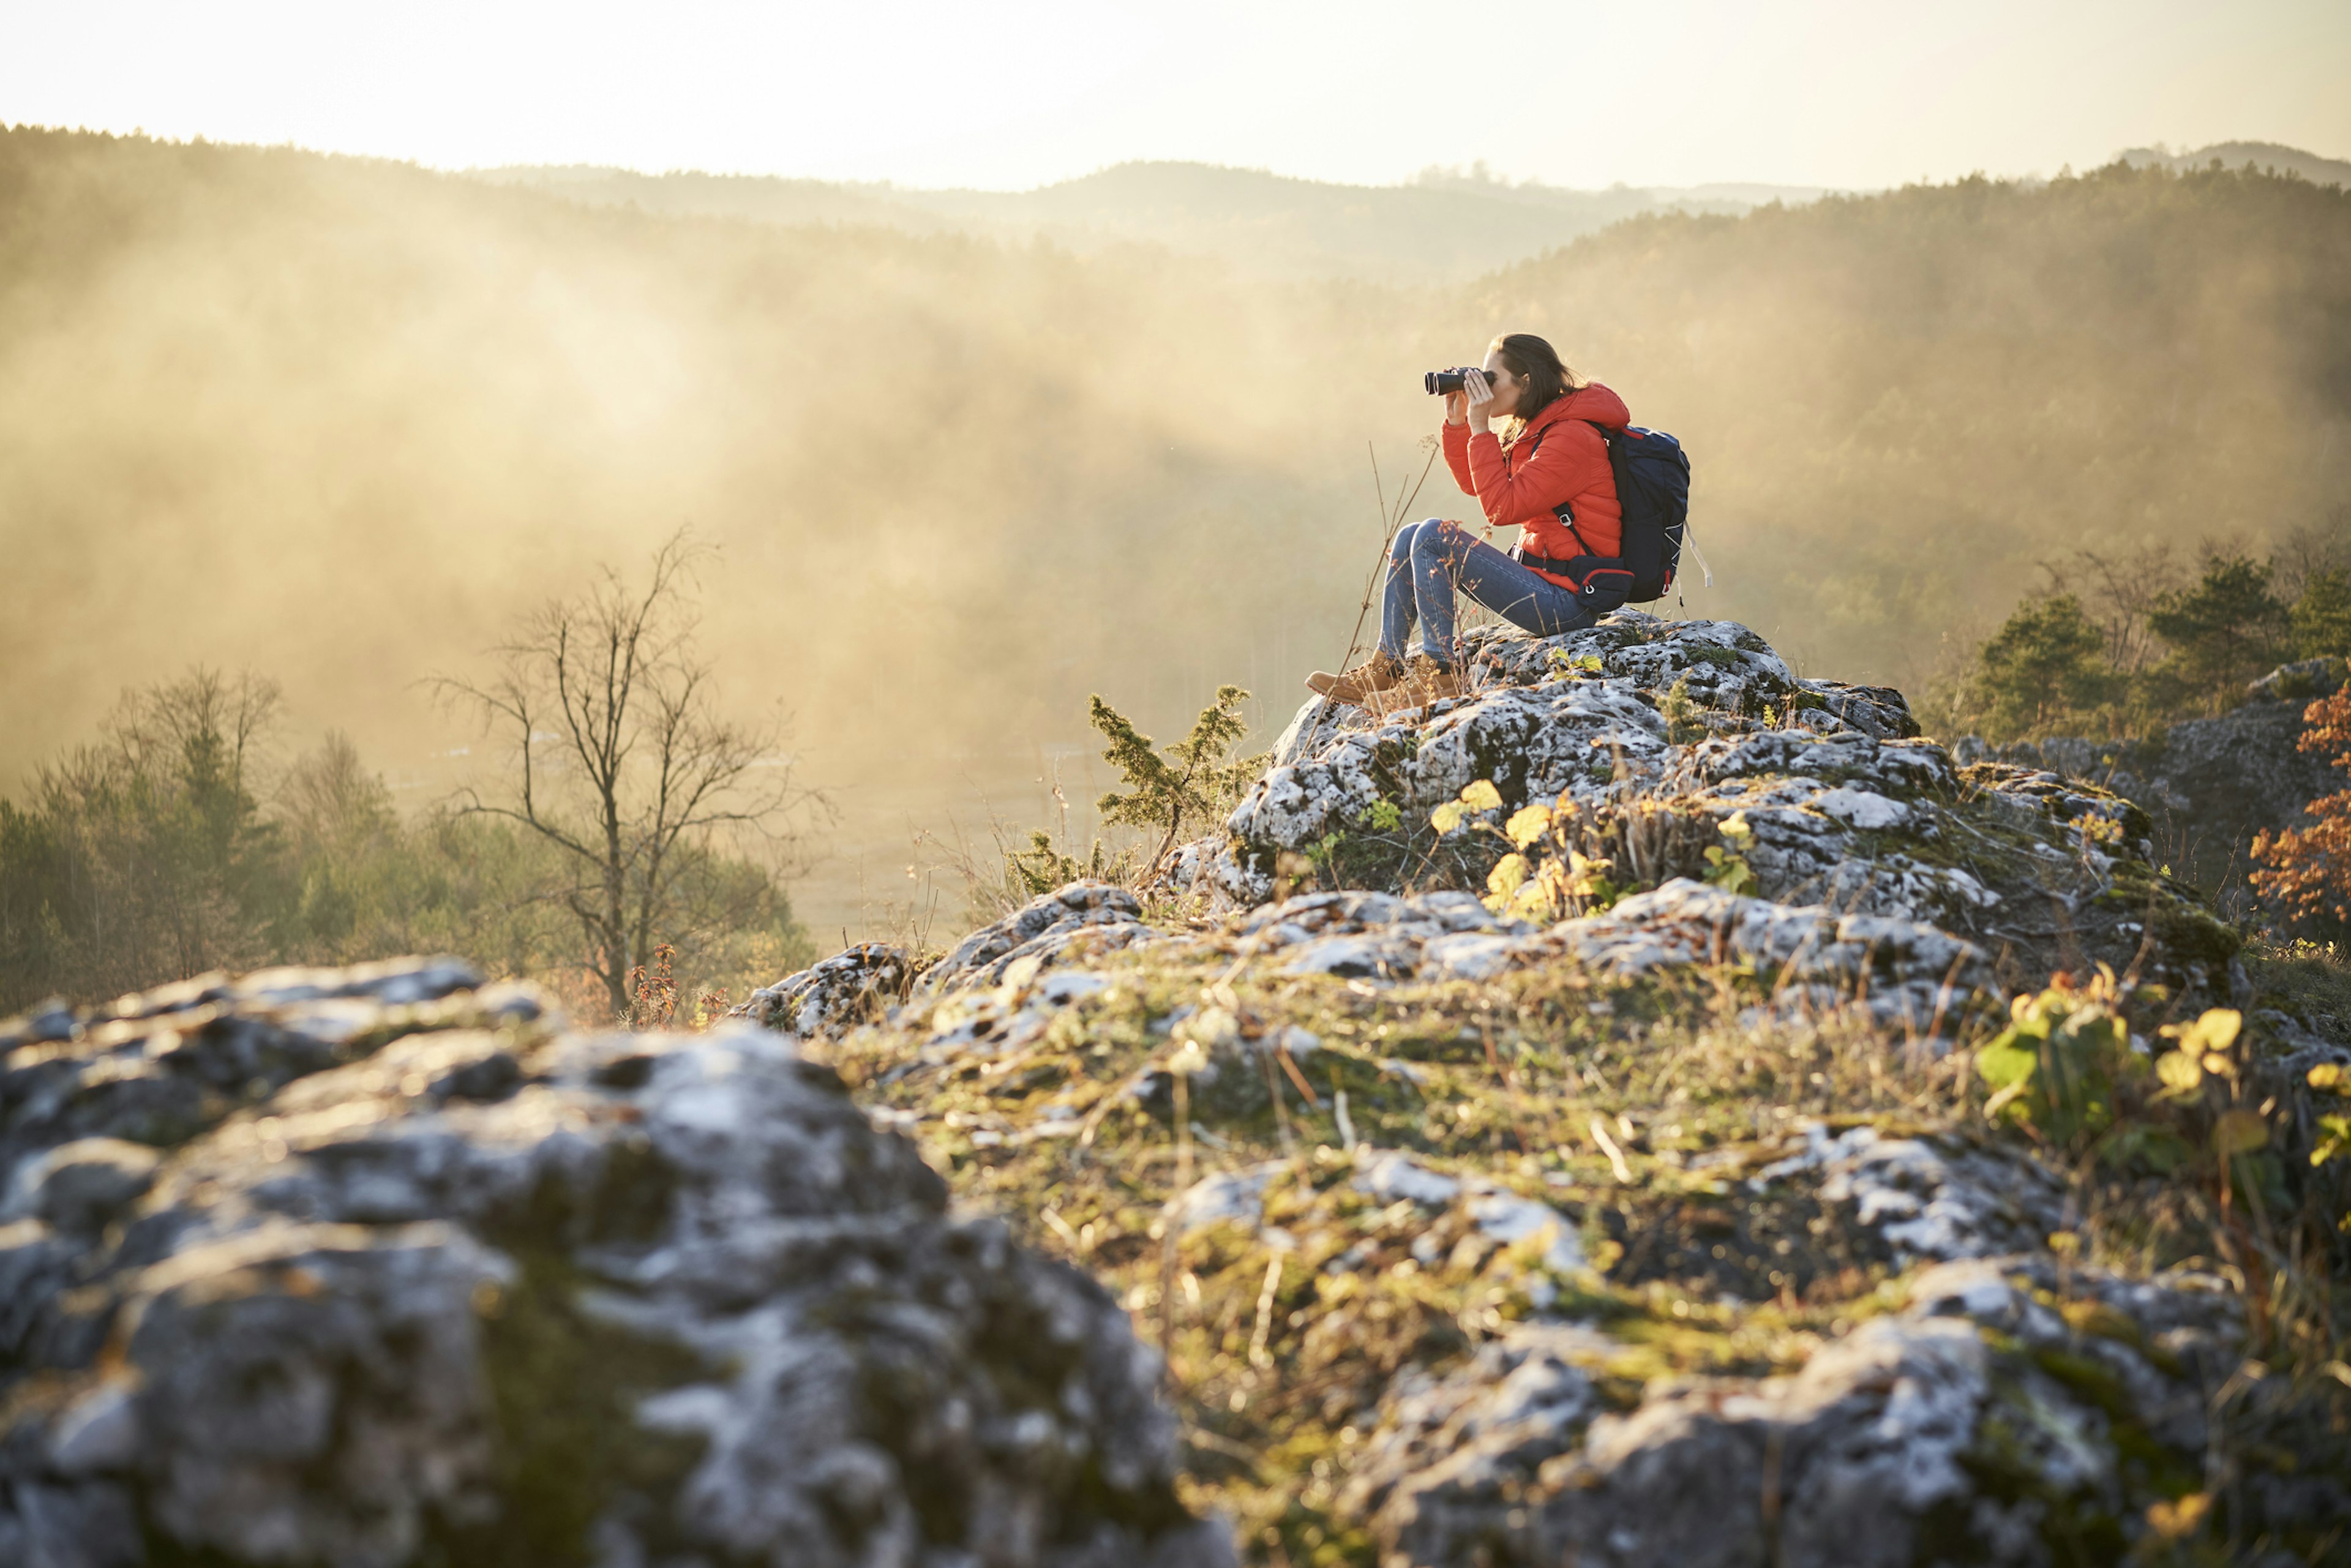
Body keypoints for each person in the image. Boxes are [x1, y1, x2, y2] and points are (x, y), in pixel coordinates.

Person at [1310, 333, 1630, 707]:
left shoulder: (1572, 436)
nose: (1485, 389)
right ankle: (1388, 667)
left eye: (1492, 379)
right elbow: (1476, 484)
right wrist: (1459, 422)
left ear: (1526, 380)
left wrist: (1481, 428)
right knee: (1412, 534)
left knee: (1433, 537)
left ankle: (1442, 675)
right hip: (1543, 583)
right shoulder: (1536, 426)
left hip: (1569, 602)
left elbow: (1500, 508)